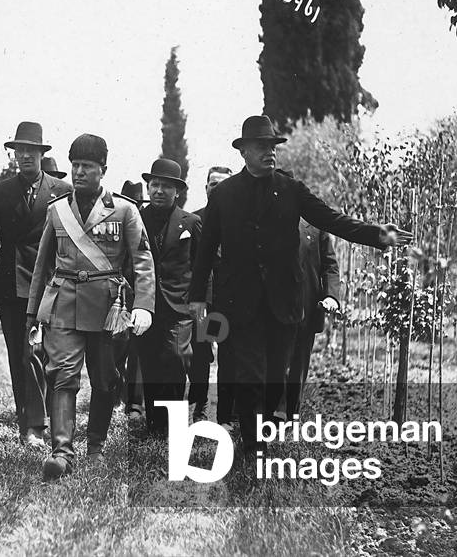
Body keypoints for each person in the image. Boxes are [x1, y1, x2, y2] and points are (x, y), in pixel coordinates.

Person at [189, 115, 411, 456]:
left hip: (285, 300)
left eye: (273, 147)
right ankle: (252, 444)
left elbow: (332, 220)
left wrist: (378, 235)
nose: (270, 152)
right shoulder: (226, 195)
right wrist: (197, 298)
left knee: (276, 374)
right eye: (262, 146)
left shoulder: (292, 190)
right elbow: (206, 250)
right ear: (244, 151)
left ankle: (260, 429)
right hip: (240, 301)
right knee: (249, 374)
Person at [27, 133, 156, 481]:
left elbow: (142, 259)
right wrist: (32, 314)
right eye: (75, 166)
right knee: (62, 376)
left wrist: (143, 305)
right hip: (64, 302)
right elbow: (42, 266)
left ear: (103, 169)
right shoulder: (57, 210)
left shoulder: (125, 210)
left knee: (105, 380)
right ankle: (61, 452)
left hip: (107, 308)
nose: (80, 172)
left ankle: (95, 446)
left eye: (88, 166)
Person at [0, 121, 71, 448]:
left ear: (41, 154)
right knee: (22, 353)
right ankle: (30, 422)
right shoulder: (0, 191)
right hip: (12, 283)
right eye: (20, 151)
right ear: (14, 155)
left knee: (44, 352)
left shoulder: (61, 191)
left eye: (32, 151)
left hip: (50, 284)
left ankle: (39, 420)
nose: (25, 157)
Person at [137, 159, 201, 436]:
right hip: (146, 305)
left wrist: (202, 302)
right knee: (150, 362)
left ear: (178, 191)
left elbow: (204, 266)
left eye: (166, 186)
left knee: (176, 359)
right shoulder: (136, 218)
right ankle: (154, 423)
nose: (159, 190)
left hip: (180, 306)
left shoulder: (191, 222)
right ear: (148, 187)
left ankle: (173, 424)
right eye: (155, 185)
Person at [277, 218, 339, 421]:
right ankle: (276, 411)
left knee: (298, 366)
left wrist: (330, 296)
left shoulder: (316, 227)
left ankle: (291, 414)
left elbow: (329, 265)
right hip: (274, 307)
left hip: (308, 305)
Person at [189, 166, 233, 426]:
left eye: (224, 184)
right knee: (202, 354)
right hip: (206, 302)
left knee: (229, 355)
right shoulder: (196, 220)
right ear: (205, 188)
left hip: (232, 300)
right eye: (213, 184)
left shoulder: (241, 221)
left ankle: (227, 414)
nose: (218, 189)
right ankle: (200, 407)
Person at [117, 179, 148, 423]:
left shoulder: (142, 224)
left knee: (137, 351)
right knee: (116, 348)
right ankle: (116, 396)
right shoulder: (114, 221)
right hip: (117, 295)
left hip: (137, 294)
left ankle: (134, 402)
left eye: (137, 202)